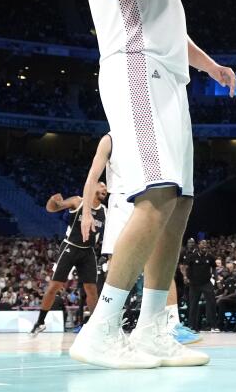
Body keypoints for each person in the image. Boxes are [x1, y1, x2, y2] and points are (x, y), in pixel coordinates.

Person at [72, 0, 234, 369]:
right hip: (136, 68)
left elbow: (162, 20)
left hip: (167, 75)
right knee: (158, 191)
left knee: (180, 202)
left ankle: (152, 332)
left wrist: (210, 66)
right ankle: (101, 331)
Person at [82, 133, 201, 345]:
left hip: (147, 201)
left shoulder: (148, 133)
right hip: (121, 203)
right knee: (117, 267)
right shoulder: (109, 139)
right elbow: (92, 176)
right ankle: (107, 324)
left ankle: (171, 323)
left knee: (159, 263)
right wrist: (87, 214)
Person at [33, 185, 107, 336]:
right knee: (55, 286)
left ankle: (95, 325)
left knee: (92, 290)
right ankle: (40, 322)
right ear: (92, 188)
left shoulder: (105, 211)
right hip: (70, 247)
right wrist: (53, 200)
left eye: (106, 188)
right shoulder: (78, 201)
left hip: (88, 251)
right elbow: (52, 208)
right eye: (101, 187)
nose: (105, 190)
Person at [180, 239, 218, 333]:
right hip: (194, 283)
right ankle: (192, 326)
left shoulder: (210, 257)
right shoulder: (192, 256)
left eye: (206, 244)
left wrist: (217, 279)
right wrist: (185, 276)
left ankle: (212, 325)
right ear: (198, 245)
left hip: (206, 282)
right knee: (193, 305)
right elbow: (184, 267)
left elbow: (214, 269)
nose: (204, 245)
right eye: (202, 244)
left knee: (212, 302)